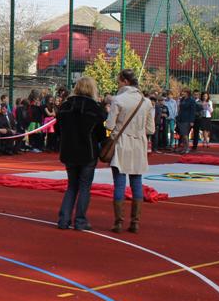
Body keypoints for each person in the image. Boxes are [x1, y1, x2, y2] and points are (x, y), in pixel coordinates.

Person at [106, 69, 154, 233]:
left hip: (121, 143)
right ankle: (135, 222)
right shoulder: (146, 102)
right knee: (136, 183)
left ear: (125, 81)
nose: (118, 84)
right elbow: (151, 129)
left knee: (119, 184)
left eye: (119, 81)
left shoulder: (118, 100)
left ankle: (118, 222)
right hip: (139, 144)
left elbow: (109, 125)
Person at [55, 77, 107, 231]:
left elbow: (58, 130)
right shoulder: (95, 108)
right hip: (88, 152)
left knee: (72, 186)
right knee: (84, 186)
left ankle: (63, 220)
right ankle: (80, 221)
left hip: (68, 151)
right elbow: (101, 135)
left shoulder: (65, 106)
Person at [175, 88, 196, 155]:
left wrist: (192, 121)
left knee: (185, 134)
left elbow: (193, 111)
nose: (182, 93)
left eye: (183, 92)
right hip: (180, 119)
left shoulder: (191, 101)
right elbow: (180, 109)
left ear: (187, 93)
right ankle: (184, 148)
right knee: (182, 134)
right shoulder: (182, 99)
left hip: (187, 119)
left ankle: (187, 148)